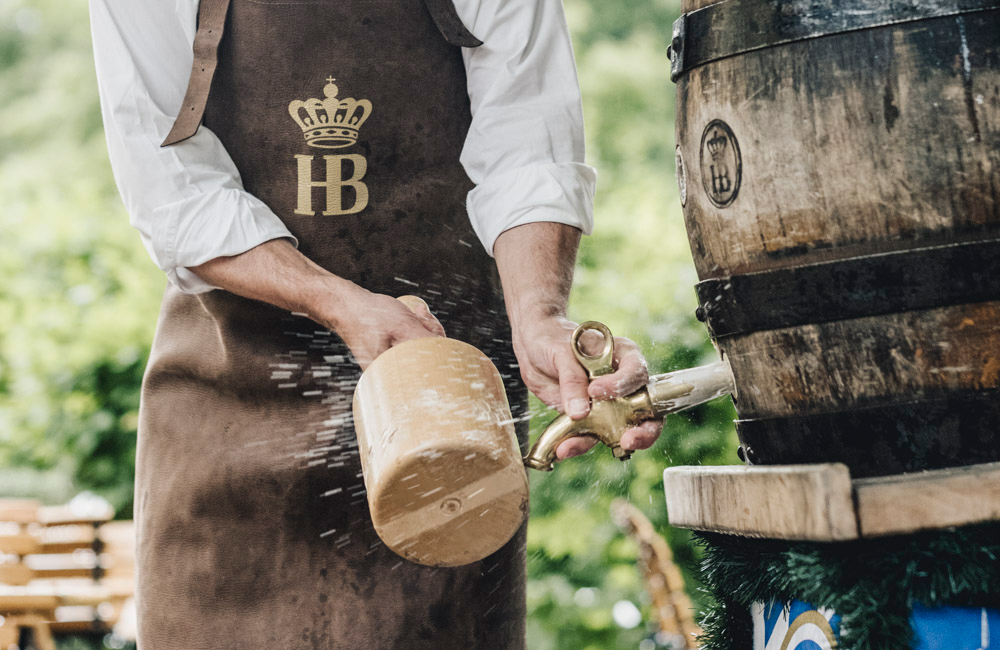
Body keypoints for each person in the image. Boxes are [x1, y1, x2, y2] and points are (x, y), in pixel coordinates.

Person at [89, 0, 665, 647]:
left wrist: (540, 316)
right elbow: (169, 182)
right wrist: (336, 301)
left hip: (447, 439)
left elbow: (529, 146)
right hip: (233, 415)